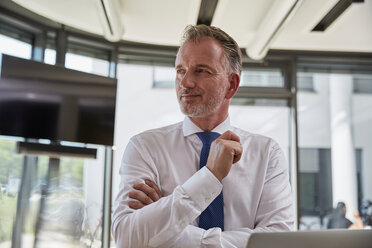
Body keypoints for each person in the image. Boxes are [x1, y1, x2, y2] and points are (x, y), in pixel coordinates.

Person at [112, 24, 294, 248]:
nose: (185, 83)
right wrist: (209, 176)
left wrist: (168, 226)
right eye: (181, 70)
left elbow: (279, 242)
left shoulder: (267, 154)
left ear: (231, 85)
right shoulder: (145, 147)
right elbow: (126, 239)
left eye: (201, 71)